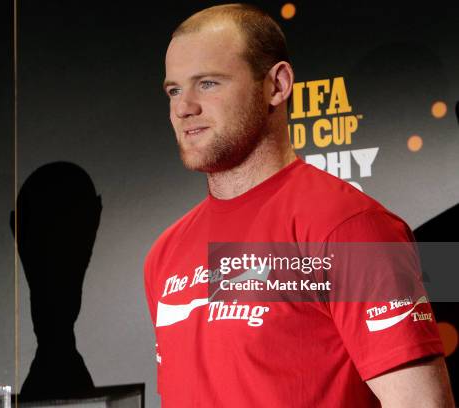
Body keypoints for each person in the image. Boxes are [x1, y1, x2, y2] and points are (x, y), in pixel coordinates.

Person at [144, 3, 454, 407]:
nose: (183, 107)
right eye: (174, 90)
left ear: (277, 85)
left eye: (208, 84)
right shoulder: (164, 255)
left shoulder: (350, 229)